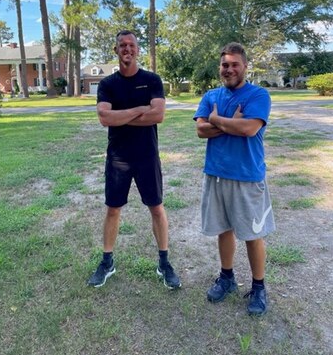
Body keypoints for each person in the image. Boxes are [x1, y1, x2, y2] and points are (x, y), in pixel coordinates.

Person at [87, 30, 181, 290]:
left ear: (137, 49)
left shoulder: (151, 80)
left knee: (157, 208)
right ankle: (107, 262)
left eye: (131, 45)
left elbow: (158, 115)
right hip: (118, 157)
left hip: (146, 155)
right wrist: (141, 109)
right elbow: (105, 119)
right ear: (116, 50)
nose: (127, 49)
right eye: (122, 45)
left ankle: (164, 262)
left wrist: (123, 114)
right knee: (113, 209)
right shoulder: (107, 85)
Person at [193, 42, 275, 316]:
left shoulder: (258, 94)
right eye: (225, 65)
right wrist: (227, 122)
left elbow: (250, 128)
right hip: (216, 174)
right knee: (223, 229)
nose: (229, 69)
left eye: (234, 64)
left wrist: (217, 119)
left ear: (245, 66)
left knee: (253, 234)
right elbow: (201, 130)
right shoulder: (211, 95)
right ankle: (226, 277)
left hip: (247, 176)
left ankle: (259, 287)